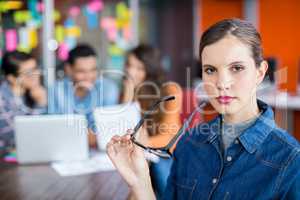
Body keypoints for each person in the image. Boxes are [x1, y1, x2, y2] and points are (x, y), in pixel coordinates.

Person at [106, 19, 300, 199]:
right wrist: (140, 184)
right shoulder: (188, 145)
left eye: (237, 68)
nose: (222, 83)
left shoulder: (291, 161)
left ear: (260, 72)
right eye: (210, 70)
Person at [120, 44, 182, 199]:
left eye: (139, 68)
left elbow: (169, 139)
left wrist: (140, 145)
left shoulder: (170, 90)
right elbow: (123, 127)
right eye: (128, 65)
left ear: (151, 69)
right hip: (141, 154)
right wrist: (129, 94)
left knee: (155, 168)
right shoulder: (127, 90)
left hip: (165, 156)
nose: (130, 71)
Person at [48, 44, 119, 147]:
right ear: (68, 69)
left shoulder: (108, 89)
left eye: (93, 70)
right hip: (65, 152)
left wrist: (72, 133)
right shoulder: (56, 89)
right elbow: (53, 131)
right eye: (81, 71)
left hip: (100, 155)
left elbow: (107, 132)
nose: (89, 76)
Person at [0, 51, 47, 156]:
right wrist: (40, 104)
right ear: (12, 78)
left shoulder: (32, 92)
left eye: (35, 68)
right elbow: (22, 138)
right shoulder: (2, 100)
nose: (36, 75)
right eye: (28, 73)